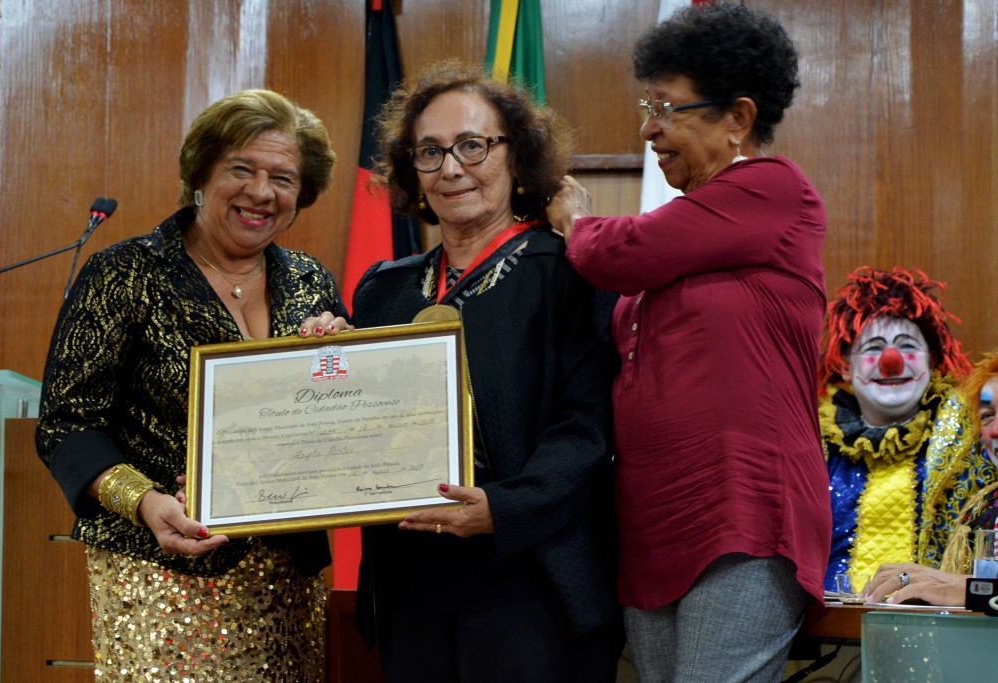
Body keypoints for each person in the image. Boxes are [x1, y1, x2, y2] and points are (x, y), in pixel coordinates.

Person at [544, 4, 830, 682]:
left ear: (737, 117)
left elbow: (621, 251)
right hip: (652, 519)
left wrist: (575, 220)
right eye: (648, 107)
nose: (648, 129)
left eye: (667, 109)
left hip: (743, 509)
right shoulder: (685, 246)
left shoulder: (774, 189)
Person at [36, 89, 349, 682]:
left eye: (283, 177)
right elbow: (68, 425)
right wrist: (146, 503)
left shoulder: (310, 280)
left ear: (300, 196)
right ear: (201, 174)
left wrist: (340, 357)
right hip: (164, 572)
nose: (262, 192)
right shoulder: (126, 273)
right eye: (242, 169)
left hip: (290, 577)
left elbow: (331, 422)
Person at [330, 58, 621, 683]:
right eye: (429, 152)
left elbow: (587, 428)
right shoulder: (385, 291)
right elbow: (357, 432)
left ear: (517, 154)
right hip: (411, 588)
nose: (452, 168)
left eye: (472, 146)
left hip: (529, 578)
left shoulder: (568, 270)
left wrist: (503, 507)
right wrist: (326, 366)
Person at [819, 266, 994, 589]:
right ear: (845, 365)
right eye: (873, 349)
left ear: (931, 361)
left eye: (908, 346)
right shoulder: (813, 442)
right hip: (825, 627)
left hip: (944, 628)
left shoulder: (977, 435)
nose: (891, 360)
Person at [865, 352, 998, 605]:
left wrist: (967, 589)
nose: (995, 430)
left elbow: (968, 589)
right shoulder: (983, 506)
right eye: (987, 415)